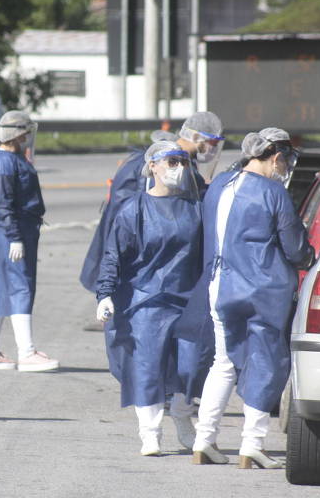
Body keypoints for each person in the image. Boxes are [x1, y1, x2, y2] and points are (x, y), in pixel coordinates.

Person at [191, 128, 313, 468]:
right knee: (266, 361)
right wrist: (309, 256)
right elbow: (295, 248)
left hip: (220, 286)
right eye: (285, 160)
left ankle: (204, 441)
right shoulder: (273, 192)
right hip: (264, 290)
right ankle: (252, 445)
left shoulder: (220, 184)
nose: (285, 167)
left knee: (222, 362)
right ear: (276, 157)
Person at [94, 140, 204, 456]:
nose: (179, 168)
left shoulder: (196, 208)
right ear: (152, 166)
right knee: (147, 367)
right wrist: (105, 293)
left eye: (184, 162)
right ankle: (150, 432)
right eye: (172, 162)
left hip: (188, 299)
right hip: (145, 301)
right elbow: (113, 254)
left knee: (191, 365)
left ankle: (182, 415)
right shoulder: (134, 209)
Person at [79, 111, 224, 292]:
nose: (213, 149)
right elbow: (143, 225)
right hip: (141, 274)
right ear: (196, 137)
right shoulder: (157, 167)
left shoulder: (181, 165)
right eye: (213, 143)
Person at [0, 110, 59, 372]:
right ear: (17, 135)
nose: (28, 137)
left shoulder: (9, 158)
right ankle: (26, 352)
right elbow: (4, 203)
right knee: (21, 287)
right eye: (25, 133)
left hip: (8, 230)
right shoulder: (4, 163)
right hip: (8, 232)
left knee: (0, 289)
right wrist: (15, 238)